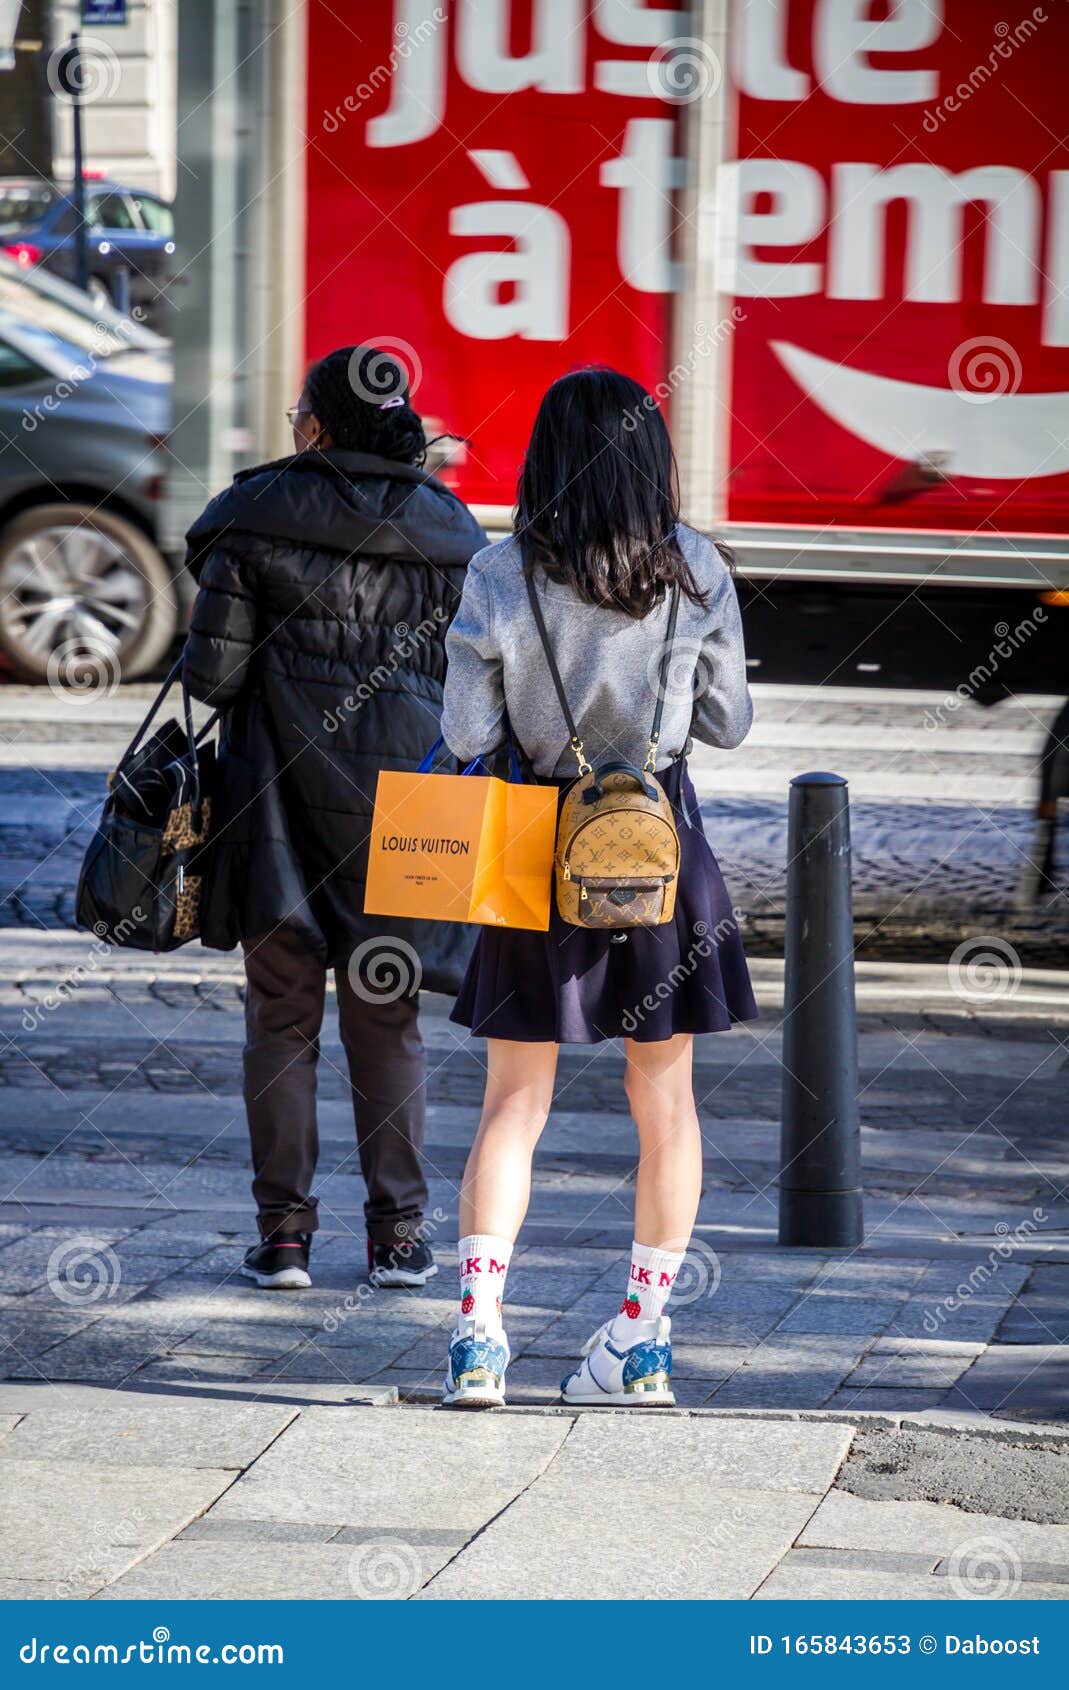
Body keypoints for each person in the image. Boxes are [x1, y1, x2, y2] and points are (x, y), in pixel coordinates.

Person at [439, 366, 757, 1407]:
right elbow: (726, 724)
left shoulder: (499, 571)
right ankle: (640, 1340)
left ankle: (480, 1337)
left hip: (538, 847)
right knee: (664, 1102)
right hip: (659, 848)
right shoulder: (697, 567)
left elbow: (465, 736)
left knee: (512, 1101)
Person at [181, 345, 486, 1291]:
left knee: (280, 1020)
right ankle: (398, 1236)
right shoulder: (453, 529)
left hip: (273, 805)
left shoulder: (253, 518)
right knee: (387, 1022)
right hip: (413, 809)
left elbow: (211, 679)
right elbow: (476, 691)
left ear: (314, 423)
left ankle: (283, 1238)